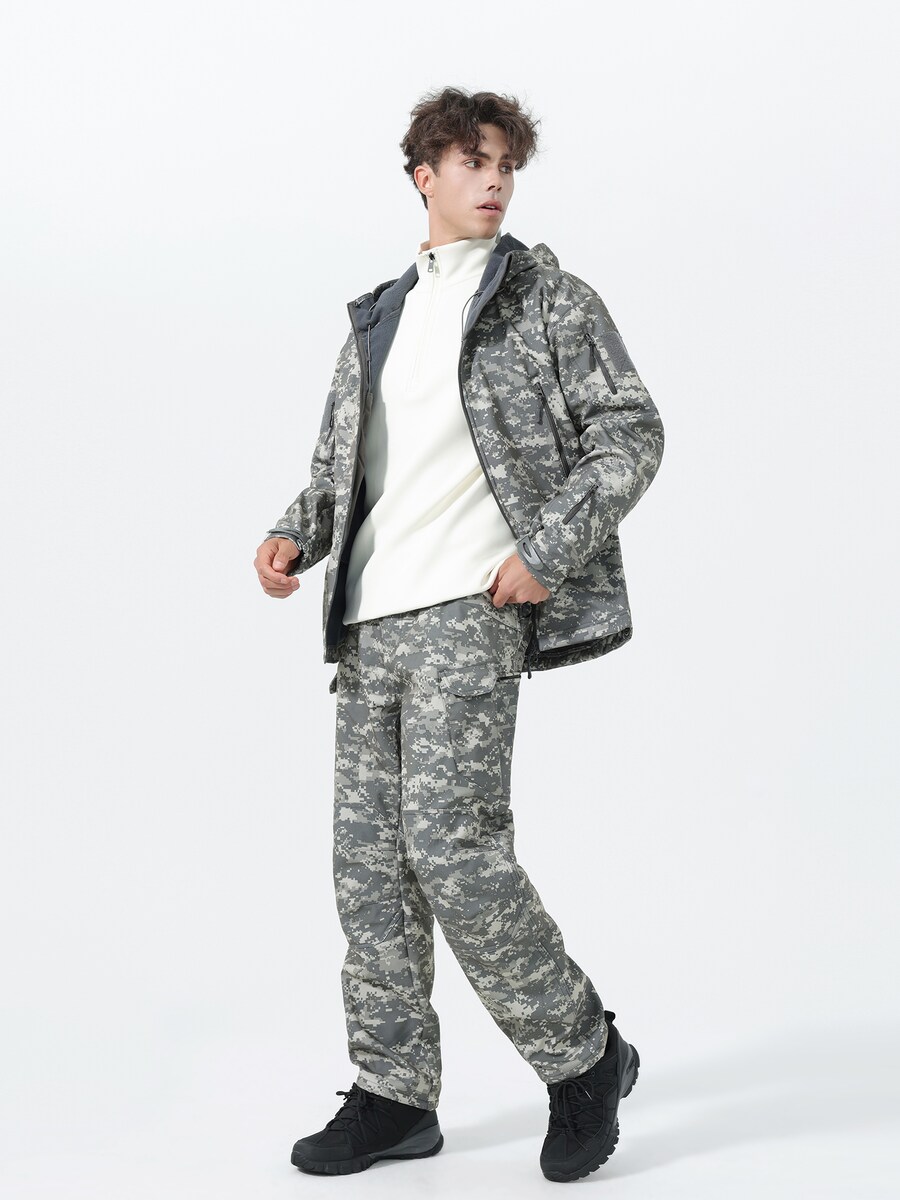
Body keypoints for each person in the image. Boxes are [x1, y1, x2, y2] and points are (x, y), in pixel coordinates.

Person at [253, 85, 664, 1183]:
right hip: (367, 621)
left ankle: (584, 1057)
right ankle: (394, 1095)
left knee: (453, 850)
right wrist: (295, 534)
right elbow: (344, 467)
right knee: (371, 869)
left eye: (506, 166)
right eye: (474, 163)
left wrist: (550, 548)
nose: (494, 182)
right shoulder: (379, 317)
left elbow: (630, 431)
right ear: (422, 176)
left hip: (469, 612)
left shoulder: (547, 299)